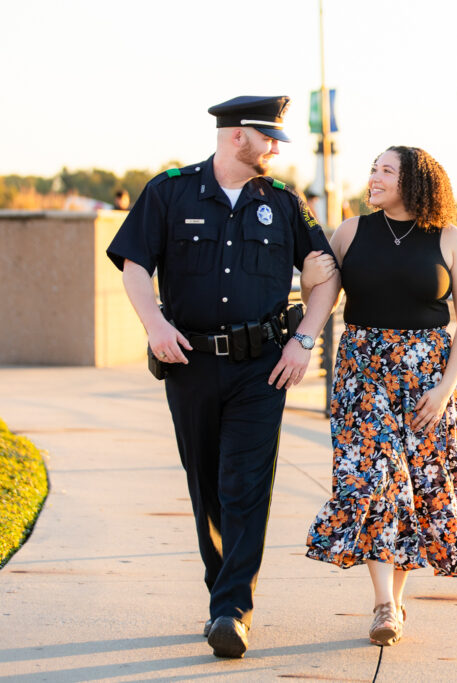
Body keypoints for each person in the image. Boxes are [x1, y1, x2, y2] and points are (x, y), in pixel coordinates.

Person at [105, 95, 342, 659]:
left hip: (261, 366)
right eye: (269, 137)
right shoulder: (169, 191)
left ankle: (233, 610)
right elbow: (136, 266)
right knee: (206, 482)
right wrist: (155, 325)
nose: (276, 147)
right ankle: (222, 594)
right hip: (189, 363)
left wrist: (305, 340)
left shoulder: (284, 203)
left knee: (246, 486)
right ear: (239, 137)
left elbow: (327, 276)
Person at [301, 145, 457, 647]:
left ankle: (393, 604)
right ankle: (384, 602)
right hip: (362, 373)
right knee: (374, 479)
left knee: (416, 491)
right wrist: (305, 282)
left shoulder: (449, 239)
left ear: (414, 182)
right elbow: (320, 293)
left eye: (386, 170)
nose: (374, 177)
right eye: (373, 169)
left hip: (427, 379)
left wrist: (445, 389)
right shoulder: (351, 230)